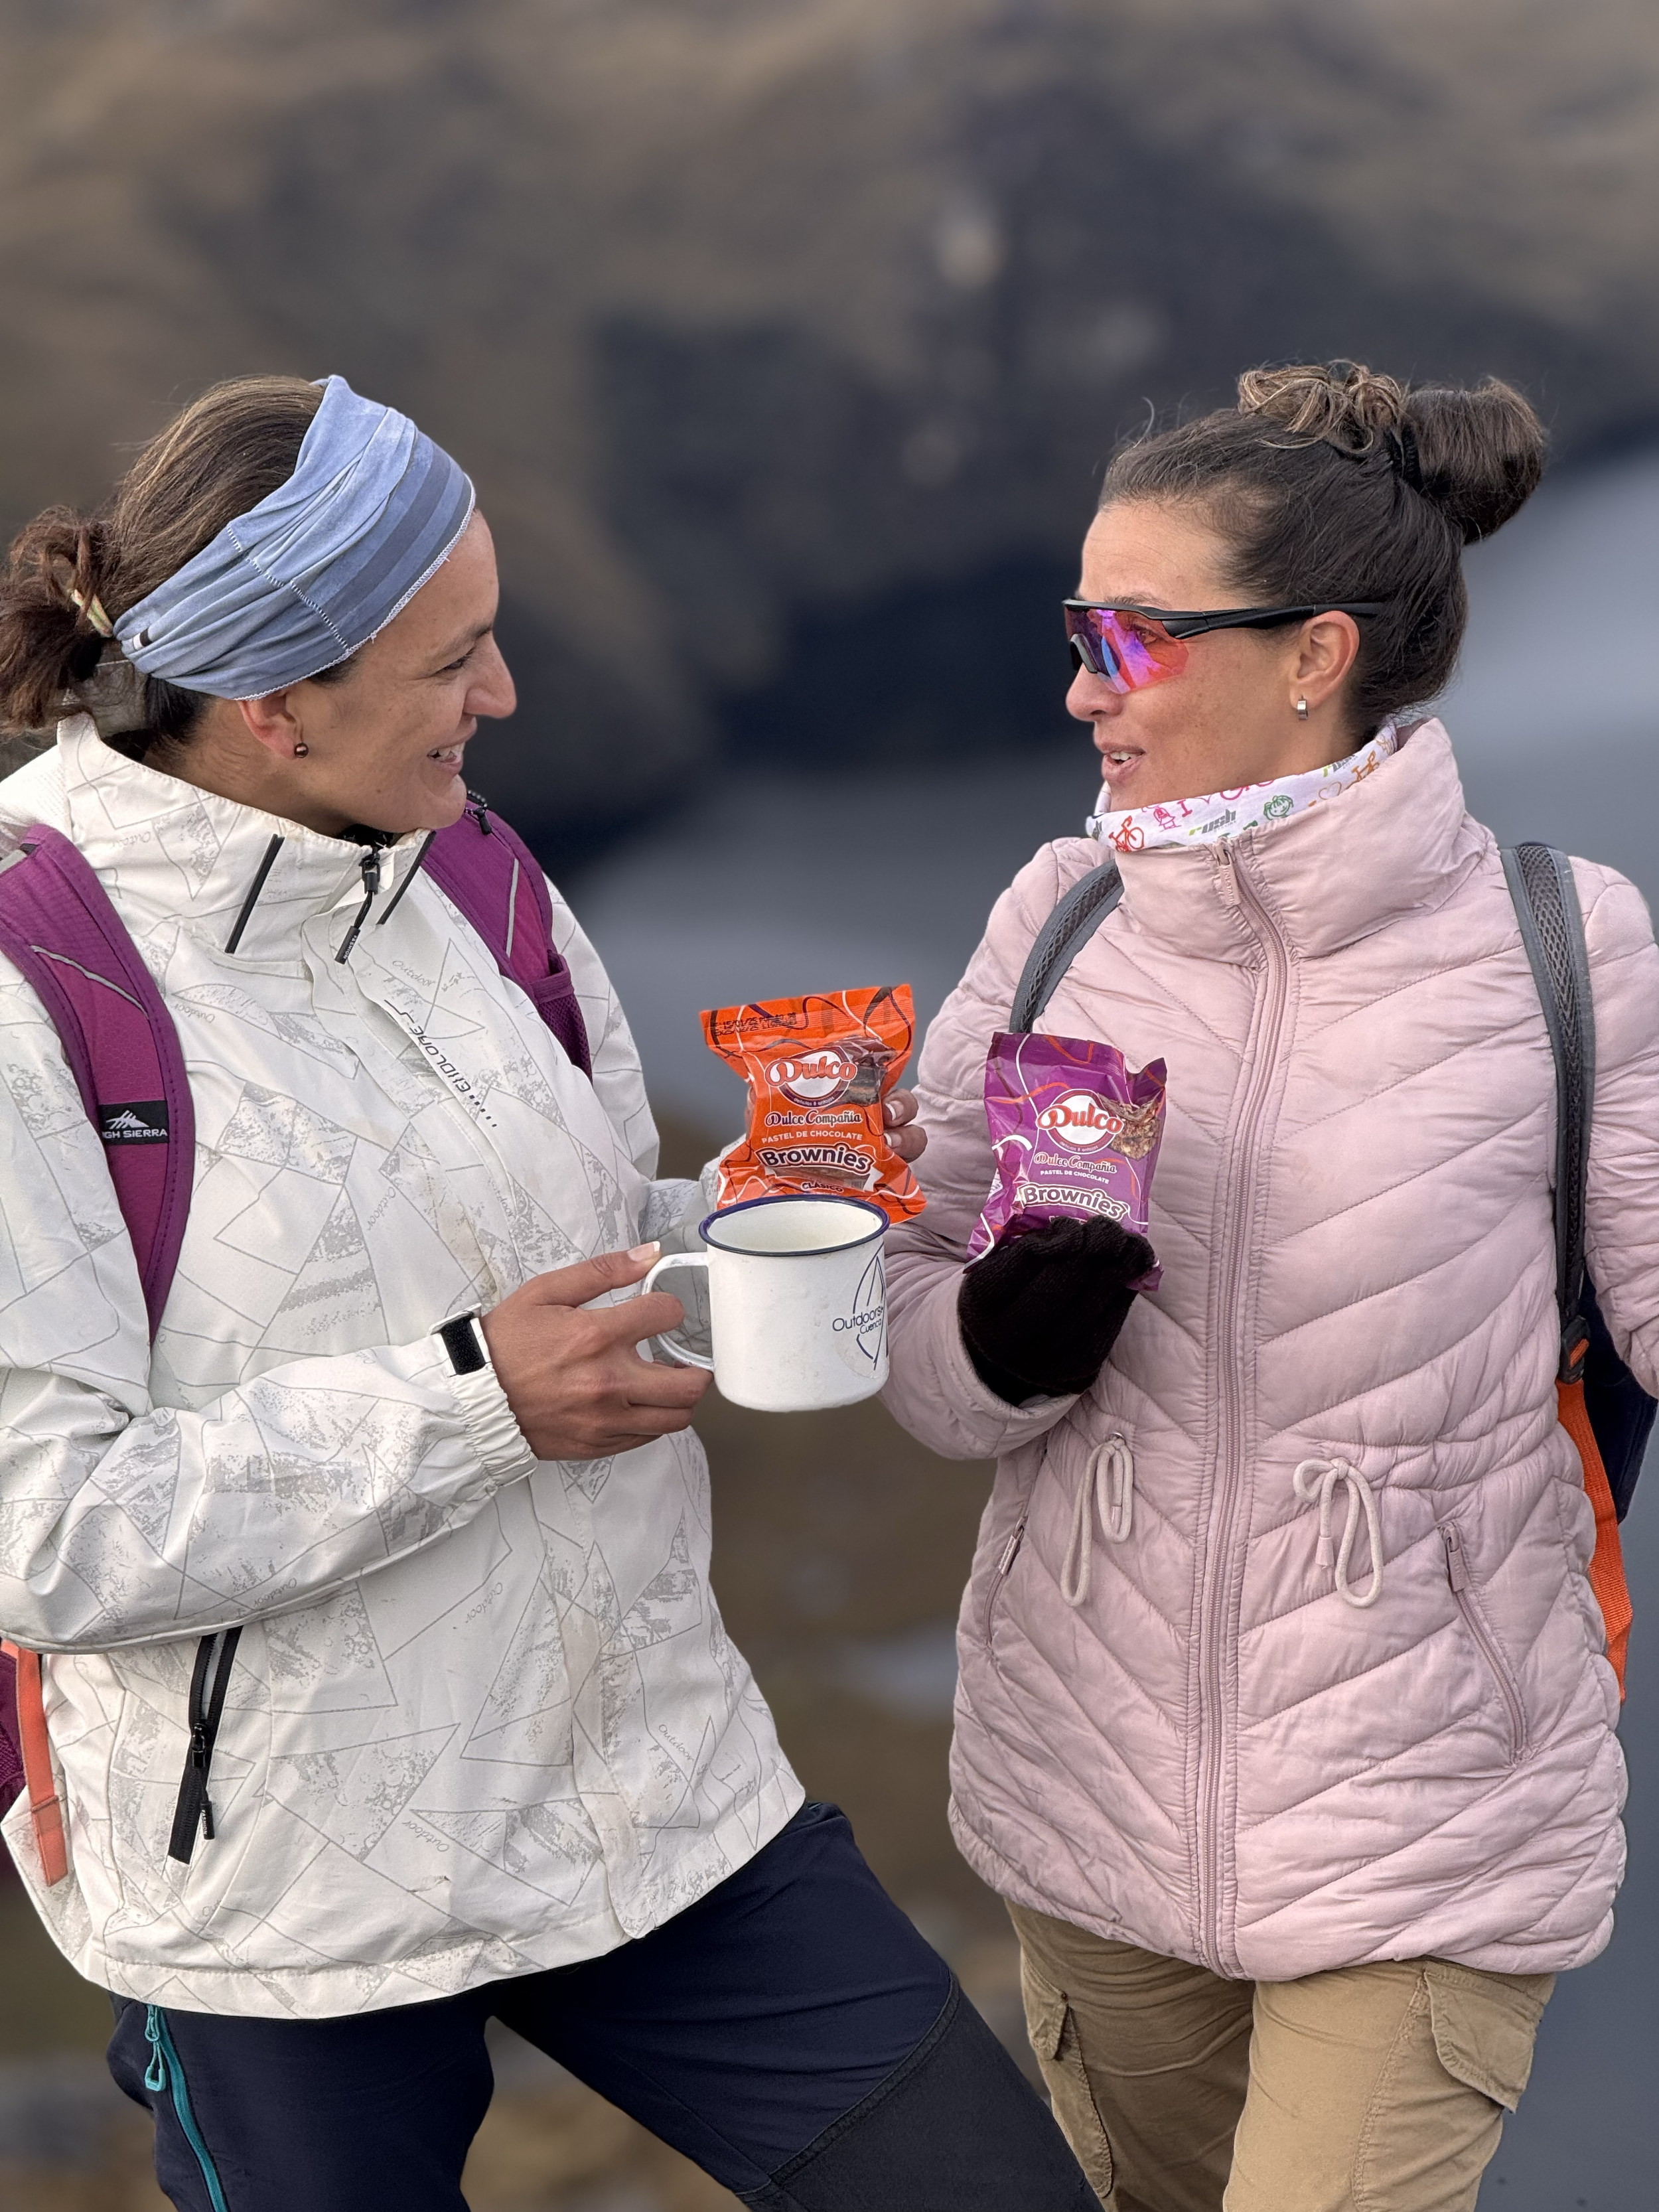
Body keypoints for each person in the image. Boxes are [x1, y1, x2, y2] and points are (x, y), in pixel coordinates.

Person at [0, 373, 1095, 2211]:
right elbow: (45, 1529)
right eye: (456, 661)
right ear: (276, 705)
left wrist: (746, 1218)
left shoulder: (472, 869)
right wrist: (477, 1400)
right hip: (286, 1916)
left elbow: (590, 1218)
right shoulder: (38, 986)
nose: (502, 699)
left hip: (652, 1804)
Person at [881, 361, 1657, 2212]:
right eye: (1080, 628)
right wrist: (1001, 1333)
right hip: (1085, 1803)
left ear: (1313, 654)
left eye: (1130, 636)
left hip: (1431, 1818)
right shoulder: (1055, 916)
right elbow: (918, 1342)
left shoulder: (1567, 947)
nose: (1081, 684)